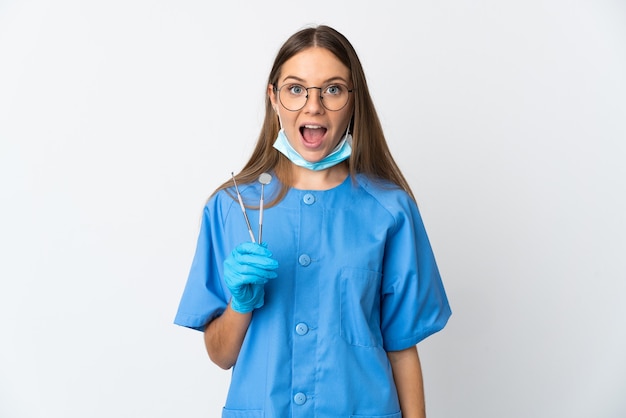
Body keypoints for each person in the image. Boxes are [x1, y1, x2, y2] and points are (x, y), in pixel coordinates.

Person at [174, 24, 451, 418]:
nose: (314, 106)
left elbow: (402, 347)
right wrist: (241, 303)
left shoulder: (390, 210)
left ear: (354, 101)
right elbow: (221, 355)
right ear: (274, 98)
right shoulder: (230, 207)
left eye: (333, 89)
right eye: (296, 88)